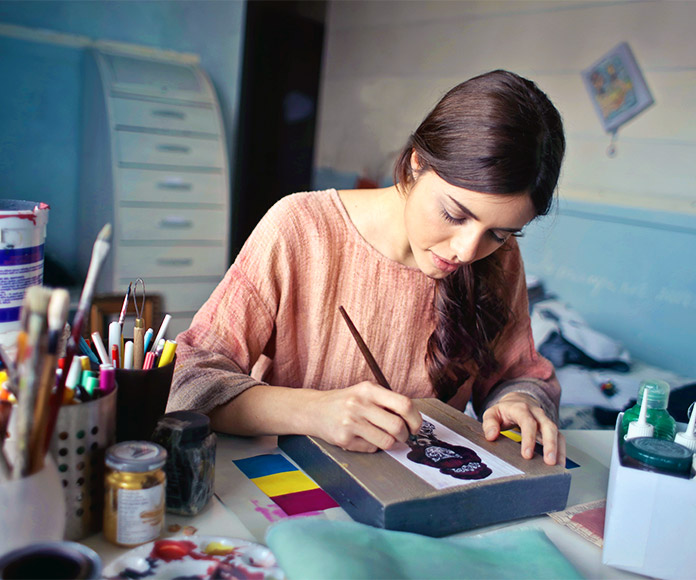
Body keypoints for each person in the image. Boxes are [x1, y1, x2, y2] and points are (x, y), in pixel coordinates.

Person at [167, 69, 567, 466]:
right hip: (287, 484)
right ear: (415, 164)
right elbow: (188, 380)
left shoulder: (498, 257)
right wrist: (313, 411)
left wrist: (520, 399)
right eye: (453, 213)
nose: (467, 250)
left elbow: (520, 374)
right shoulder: (300, 227)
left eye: (499, 233)